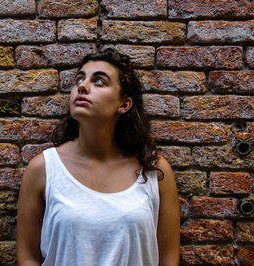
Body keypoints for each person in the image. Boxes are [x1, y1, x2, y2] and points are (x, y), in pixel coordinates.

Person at [16, 48, 180, 266]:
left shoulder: (154, 171)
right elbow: (28, 256)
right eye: (79, 80)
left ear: (124, 104)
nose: (82, 86)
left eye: (99, 81)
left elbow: (168, 257)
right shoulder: (44, 169)